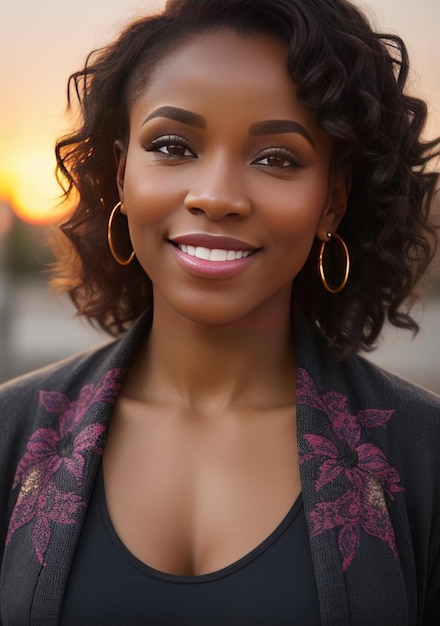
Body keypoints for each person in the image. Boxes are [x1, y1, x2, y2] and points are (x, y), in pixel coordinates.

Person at [1, 0, 439, 623]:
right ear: (123, 173)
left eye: (276, 158)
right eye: (174, 145)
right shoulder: (9, 434)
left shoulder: (425, 455)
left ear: (333, 202)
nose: (216, 196)